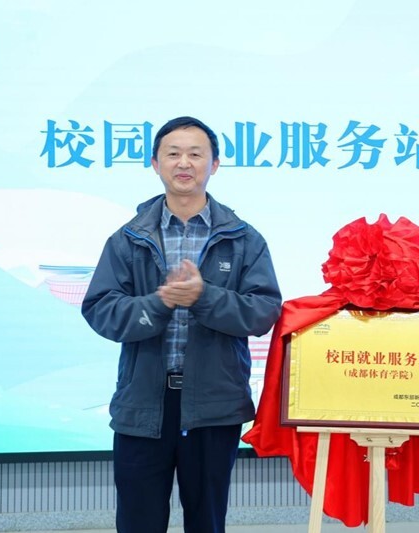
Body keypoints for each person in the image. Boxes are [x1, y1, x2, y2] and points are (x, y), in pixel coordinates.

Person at [81, 116, 282, 533]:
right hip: (143, 403)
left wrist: (203, 297)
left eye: (195, 154)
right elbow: (100, 309)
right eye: (173, 154)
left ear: (215, 164)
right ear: (156, 164)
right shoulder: (128, 238)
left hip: (213, 405)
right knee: (138, 521)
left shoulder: (244, 239)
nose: (184, 163)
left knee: (207, 521)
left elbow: (263, 312)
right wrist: (160, 303)